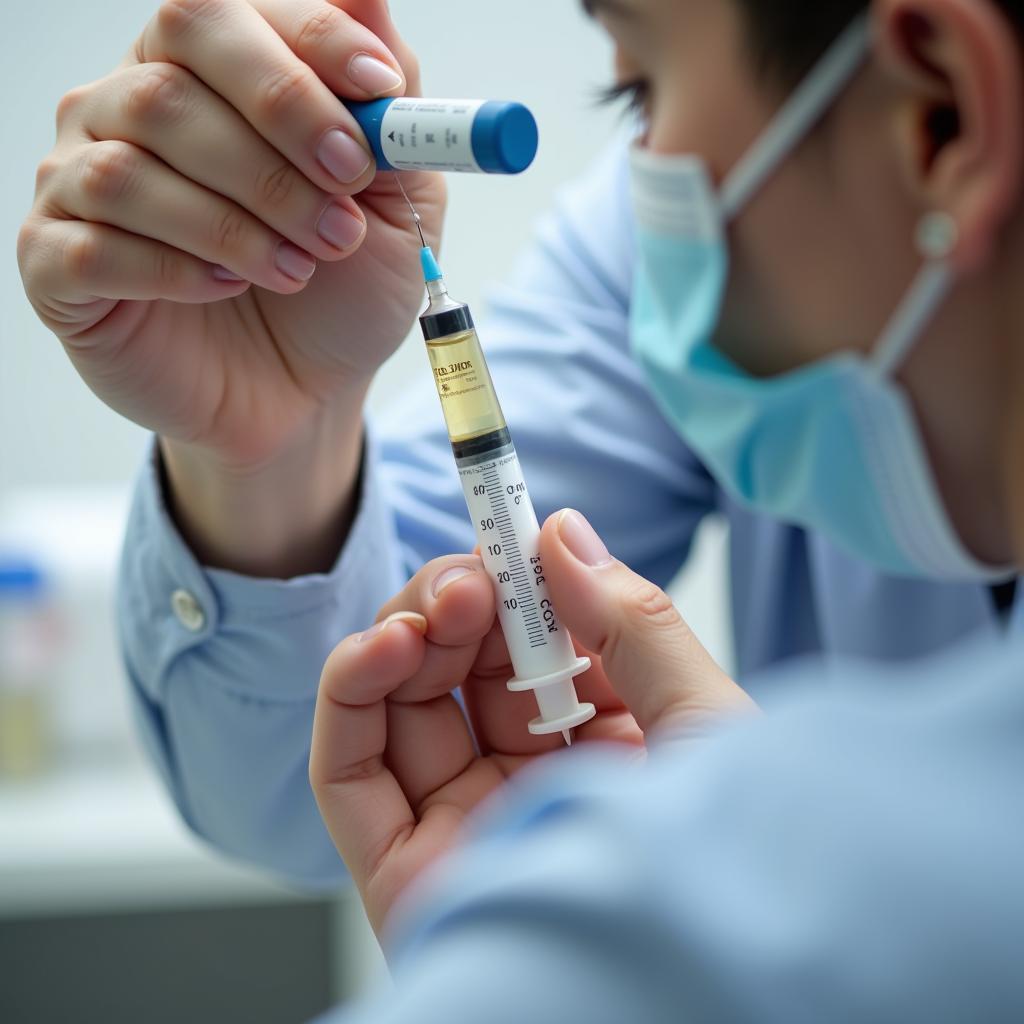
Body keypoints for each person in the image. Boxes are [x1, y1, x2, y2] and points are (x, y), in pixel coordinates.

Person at [12, 0, 1020, 903]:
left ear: (939, 111)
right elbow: (323, 770)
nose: (641, 159)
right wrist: (268, 446)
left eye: (639, 82)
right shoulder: (670, 255)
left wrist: (777, 912)